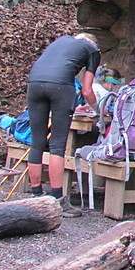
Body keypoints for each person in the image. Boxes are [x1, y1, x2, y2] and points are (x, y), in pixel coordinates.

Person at [26, 32, 100, 217]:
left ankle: (36, 194)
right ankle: (58, 200)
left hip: (34, 84)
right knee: (57, 145)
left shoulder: (60, 41)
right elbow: (87, 89)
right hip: (60, 87)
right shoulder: (92, 50)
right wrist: (99, 109)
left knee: (37, 142)